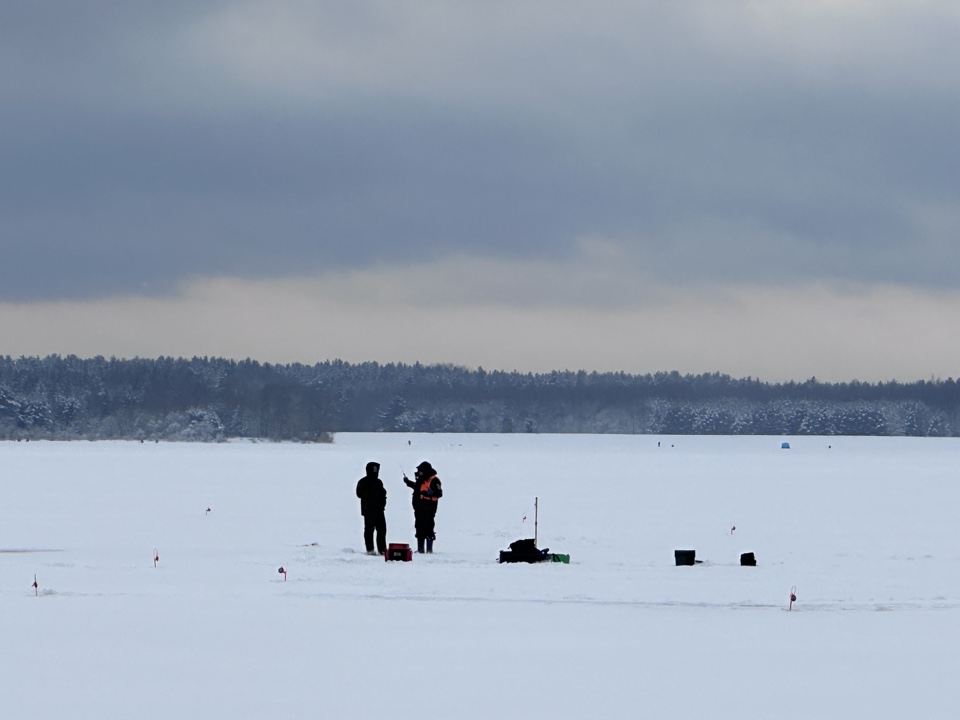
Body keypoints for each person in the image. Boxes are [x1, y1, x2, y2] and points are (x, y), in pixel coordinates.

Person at [404, 461, 443, 553]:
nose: (419, 472)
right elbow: (417, 487)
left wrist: (431, 493)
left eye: (420, 471)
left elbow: (439, 493)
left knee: (429, 526)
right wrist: (408, 482)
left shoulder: (434, 480)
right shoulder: (422, 479)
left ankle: (429, 549)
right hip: (419, 508)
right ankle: (420, 549)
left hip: (429, 508)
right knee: (419, 526)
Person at [356, 461, 387, 555]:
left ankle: (382, 549)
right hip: (368, 510)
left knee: (382, 530)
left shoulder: (378, 482)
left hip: (379, 510)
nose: (376, 471)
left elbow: (382, 494)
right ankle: (370, 549)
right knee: (369, 530)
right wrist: (369, 494)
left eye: (376, 469)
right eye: (374, 469)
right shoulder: (363, 481)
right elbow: (359, 493)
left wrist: (383, 500)